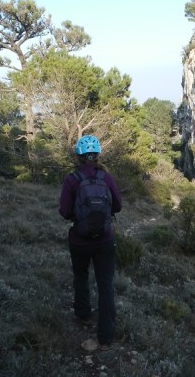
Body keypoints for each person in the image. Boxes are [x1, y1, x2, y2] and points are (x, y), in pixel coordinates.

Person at [59, 135, 122, 351]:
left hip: (79, 240)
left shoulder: (72, 179)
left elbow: (65, 211)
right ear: (97, 155)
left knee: (81, 276)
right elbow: (118, 206)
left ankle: (84, 315)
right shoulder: (106, 177)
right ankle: (106, 338)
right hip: (105, 239)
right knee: (106, 286)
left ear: (79, 156)